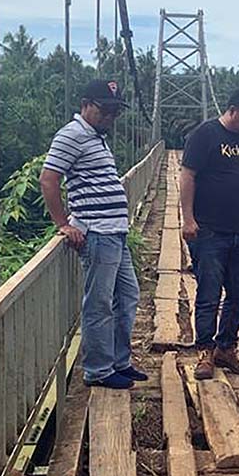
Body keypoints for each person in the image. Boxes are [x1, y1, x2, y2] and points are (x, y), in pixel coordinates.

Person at [40, 79, 146, 389]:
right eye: (106, 110)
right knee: (99, 303)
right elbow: (48, 180)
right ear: (86, 105)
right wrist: (64, 224)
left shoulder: (97, 136)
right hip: (97, 234)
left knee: (128, 297)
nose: (111, 116)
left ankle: (119, 361)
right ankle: (99, 370)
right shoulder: (71, 135)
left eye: (116, 111)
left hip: (116, 232)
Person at [181, 87, 239, 379]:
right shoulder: (205, 135)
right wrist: (188, 219)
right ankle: (205, 353)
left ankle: (226, 348)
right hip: (208, 230)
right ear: (232, 110)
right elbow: (187, 176)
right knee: (208, 293)